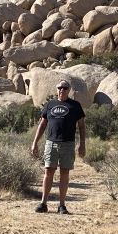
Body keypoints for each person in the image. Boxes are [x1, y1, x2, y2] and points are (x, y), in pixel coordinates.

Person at [31, 79, 86, 214]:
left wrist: (82, 144)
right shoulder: (50, 105)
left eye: (65, 88)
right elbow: (42, 124)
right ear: (56, 89)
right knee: (48, 171)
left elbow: (82, 126)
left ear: (69, 90)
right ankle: (43, 203)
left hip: (68, 143)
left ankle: (62, 206)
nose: (62, 90)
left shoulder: (75, 105)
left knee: (64, 173)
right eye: (59, 87)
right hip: (51, 142)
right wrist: (35, 142)